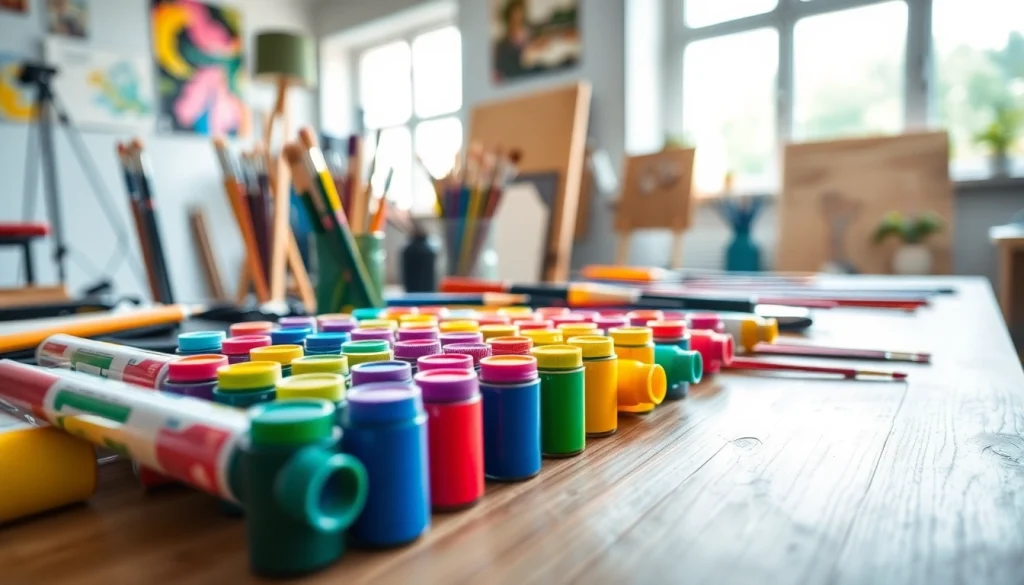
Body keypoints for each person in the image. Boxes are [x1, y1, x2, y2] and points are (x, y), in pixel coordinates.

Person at [493, 0, 531, 80]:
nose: (518, 19)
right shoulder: (502, 45)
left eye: (520, 14)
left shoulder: (531, 33)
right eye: (515, 14)